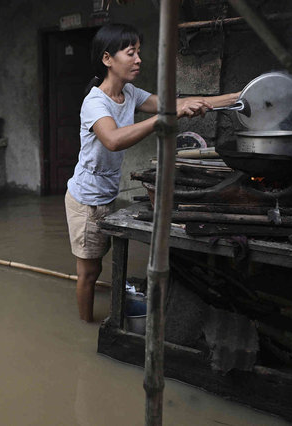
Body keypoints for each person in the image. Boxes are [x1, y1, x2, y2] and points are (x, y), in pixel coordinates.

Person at [65, 24, 240, 322]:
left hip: (106, 195)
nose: (138, 60)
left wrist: (237, 96)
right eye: (130, 53)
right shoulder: (95, 102)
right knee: (89, 272)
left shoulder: (129, 93)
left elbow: (176, 104)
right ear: (108, 59)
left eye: (139, 53)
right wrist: (162, 119)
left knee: (99, 266)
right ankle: (85, 328)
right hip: (86, 200)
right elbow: (114, 138)